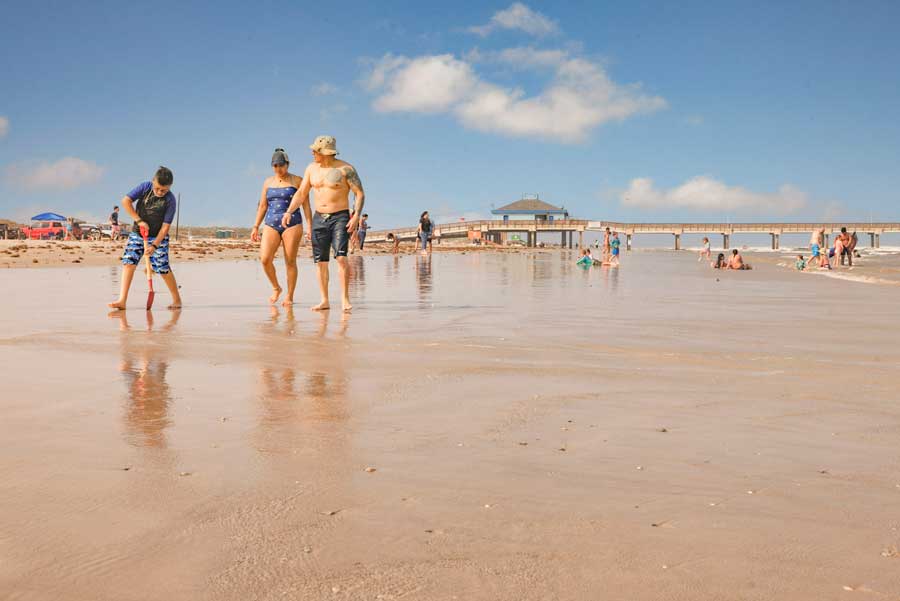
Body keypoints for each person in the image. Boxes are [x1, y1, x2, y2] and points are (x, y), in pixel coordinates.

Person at [281, 135, 364, 312]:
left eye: (315, 150)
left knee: (341, 258)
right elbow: (302, 193)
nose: (312, 152)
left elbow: (359, 194)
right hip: (320, 218)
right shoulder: (311, 169)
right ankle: (324, 300)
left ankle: (344, 299)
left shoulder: (346, 169)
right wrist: (289, 211)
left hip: (340, 216)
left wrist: (356, 216)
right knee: (321, 262)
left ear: (326, 152)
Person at [108, 166, 183, 310]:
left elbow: (165, 227)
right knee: (129, 262)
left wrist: (154, 245)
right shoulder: (145, 187)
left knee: (162, 268)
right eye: (158, 188)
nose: (160, 192)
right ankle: (122, 300)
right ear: (153, 181)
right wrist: (139, 220)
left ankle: (177, 299)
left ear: (169, 187)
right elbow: (126, 201)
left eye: (164, 190)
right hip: (138, 233)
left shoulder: (170, 200)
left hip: (158, 237)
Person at [251, 148, 308, 306]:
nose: (278, 169)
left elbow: (306, 205)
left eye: (281, 165)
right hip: (271, 223)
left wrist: (310, 226)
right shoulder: (268, 182)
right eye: (275, 166)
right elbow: (263, 205)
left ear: (287, 164)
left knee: (290, 261)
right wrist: (255, 226)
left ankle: (289, 295)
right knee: (265, 259)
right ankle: (276, 287)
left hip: (293, 223)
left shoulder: (297, 180)